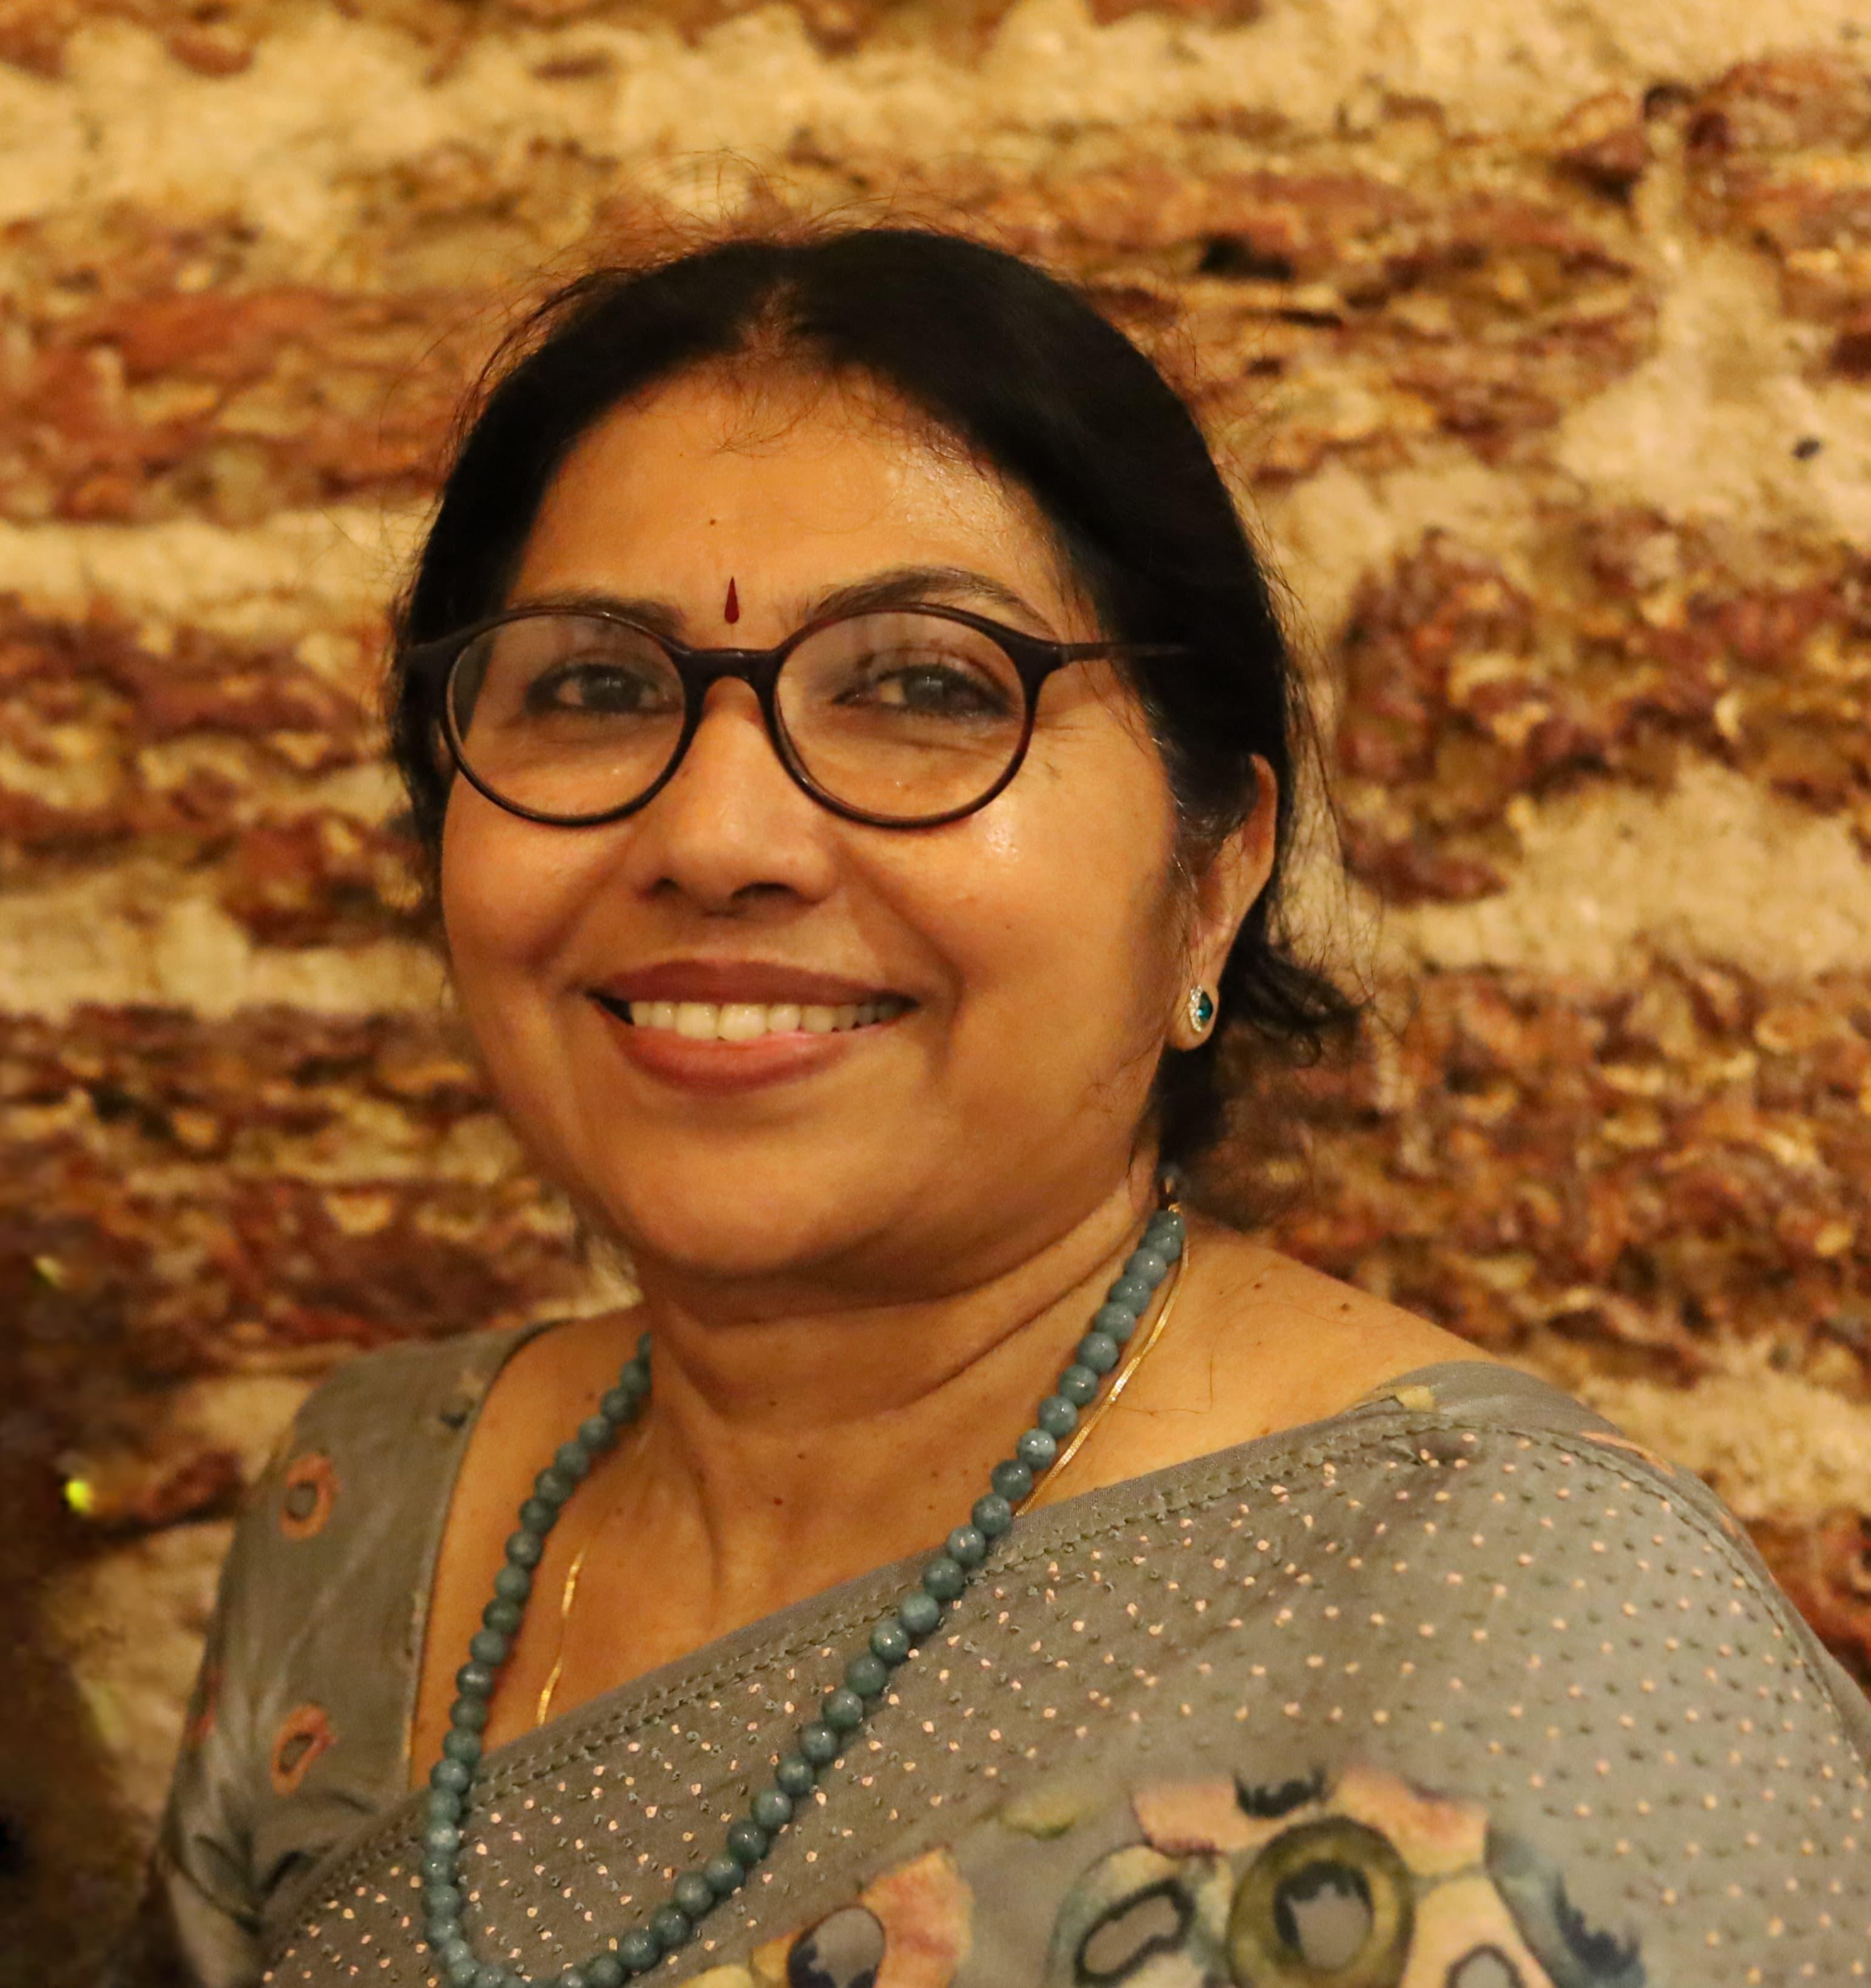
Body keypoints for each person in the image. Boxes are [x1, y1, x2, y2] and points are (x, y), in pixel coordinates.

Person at [112, 225, 1871, 1988]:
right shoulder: (378, 1518)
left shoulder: (1504, 1619)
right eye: (594, 687)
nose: (714, 836)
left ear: (1211, 878)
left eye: (922, 688)